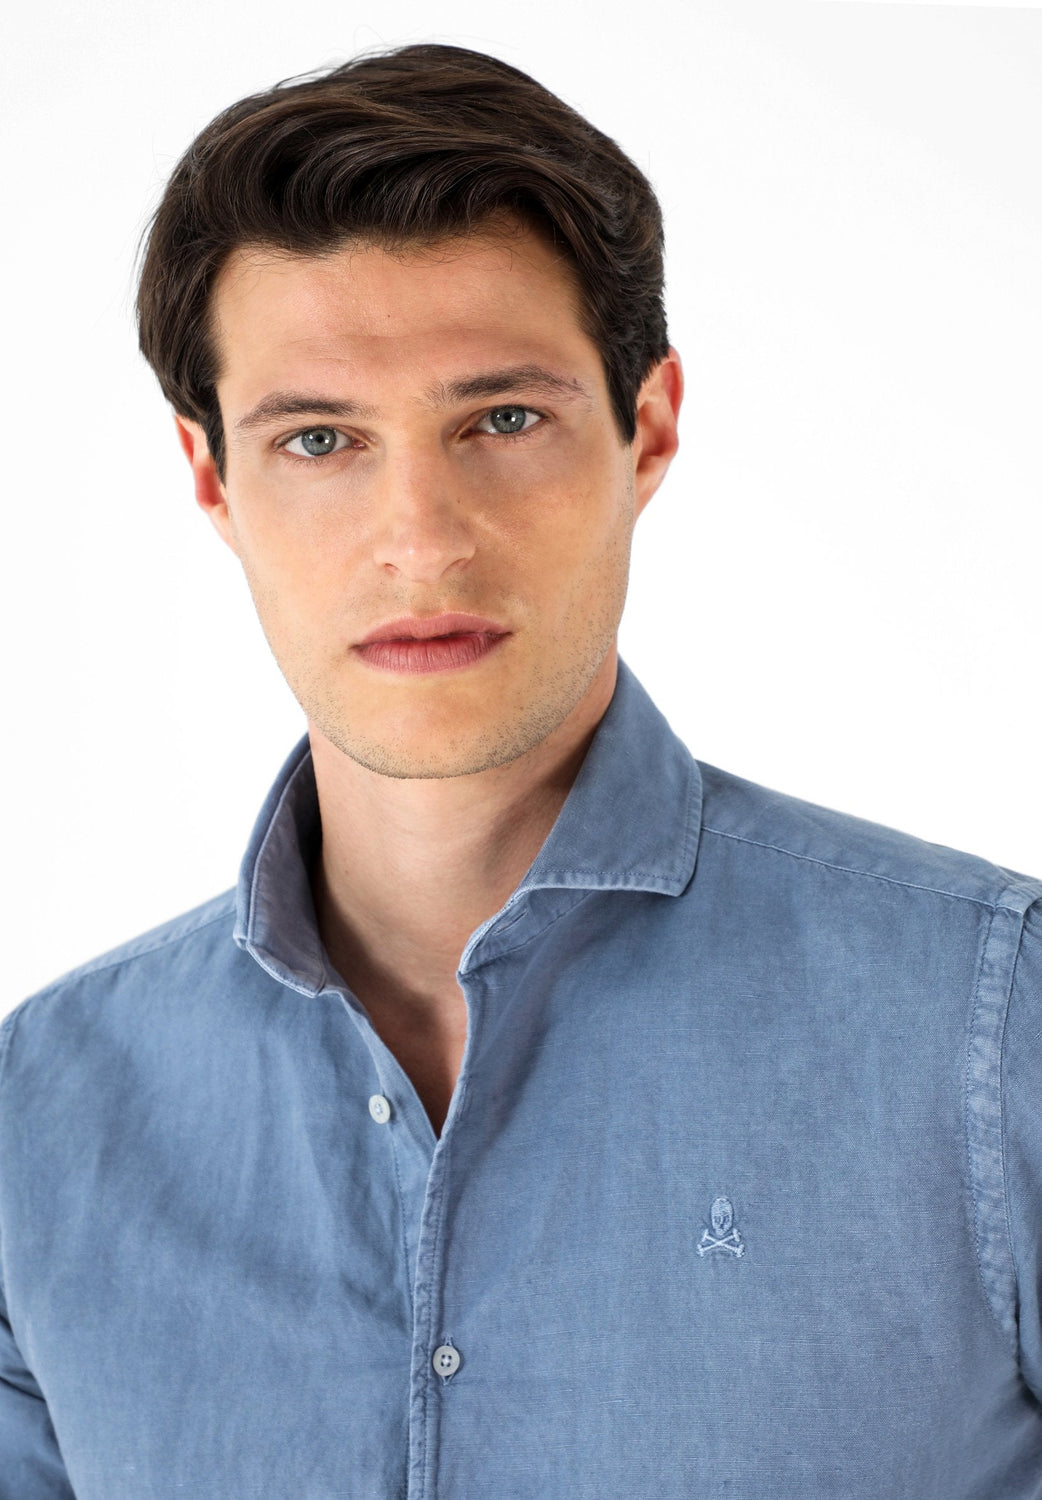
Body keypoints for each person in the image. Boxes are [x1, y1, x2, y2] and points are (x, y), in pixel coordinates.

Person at [1, 42, 1040, 1499]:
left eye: (500, 420)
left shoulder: (992, 1026)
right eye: (319, 439)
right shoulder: (40, 1119)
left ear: (646, 429)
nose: (421, 540)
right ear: (212, 477)